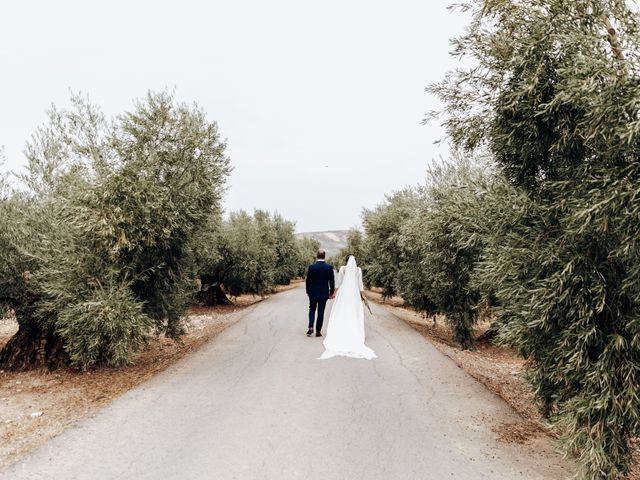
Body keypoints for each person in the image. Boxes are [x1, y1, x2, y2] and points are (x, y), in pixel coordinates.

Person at [319, 255, 376, 359]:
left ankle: (341, 331)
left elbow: (338, 283)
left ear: (346, 261)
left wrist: (334, 293)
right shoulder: (358, 270)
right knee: (354, 312)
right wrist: (363, 296)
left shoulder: (342, 269)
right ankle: (354, 332)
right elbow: (360, 285)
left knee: (342, 311)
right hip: (354, 295)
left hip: (343, 294)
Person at [305, 249, 335, 337]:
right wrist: (331, 292)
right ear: (324, 256)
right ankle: (318, 331)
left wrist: (308, 291)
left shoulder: (311, 267)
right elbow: (332, 281)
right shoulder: (329, 267)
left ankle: (311, 327)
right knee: (321, 311)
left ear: (317, 256)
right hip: (324, 293)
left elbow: (308, 280)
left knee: (312, 309)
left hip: (313, 292)